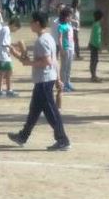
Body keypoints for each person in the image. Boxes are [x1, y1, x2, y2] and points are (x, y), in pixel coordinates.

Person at [7, 10, 70, 151]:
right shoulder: (49, 38)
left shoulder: (42, 41)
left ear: (37, 23)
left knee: (52, 112)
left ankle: (63, 140)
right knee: (34, 110)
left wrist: (28, 63)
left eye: (31, 21)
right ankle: (23, 136)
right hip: (45, 79)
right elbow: (53, 60)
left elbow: (47, 62)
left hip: (44, 81)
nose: (30, 24)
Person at [0, 12, 17, 98]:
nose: (15, 30)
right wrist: (12, 48)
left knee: (8, 72)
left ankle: (7, 89)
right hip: (2, 55)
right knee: (3, 72)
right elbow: (4, 43)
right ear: (13, 25)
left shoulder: (6, 29)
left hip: (4, 54)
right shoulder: (6, 29)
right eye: (16, 28)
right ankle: (0, 90)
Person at [56, 6, 77, 92]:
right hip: (65, 48)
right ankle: (62, 84)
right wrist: (61, 49)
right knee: (64, 68)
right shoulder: (61, 26)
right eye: (70, 16)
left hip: (71, 48)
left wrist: (74, 50)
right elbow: (60, 38)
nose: (71, 17)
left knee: (69, 67)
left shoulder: (69, 25)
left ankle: (68, 82)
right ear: (66, 17)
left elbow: (72, 38)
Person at [88, 9, 104, 83]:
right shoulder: (97, 25)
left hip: (92, 45)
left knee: (94, 60)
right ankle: (93, 76)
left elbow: (92, 35)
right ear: (101, 17)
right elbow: (97, 37)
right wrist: (99, 46)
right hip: (95, 46)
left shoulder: (95, 24)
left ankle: (93, 75)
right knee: (94, 61)